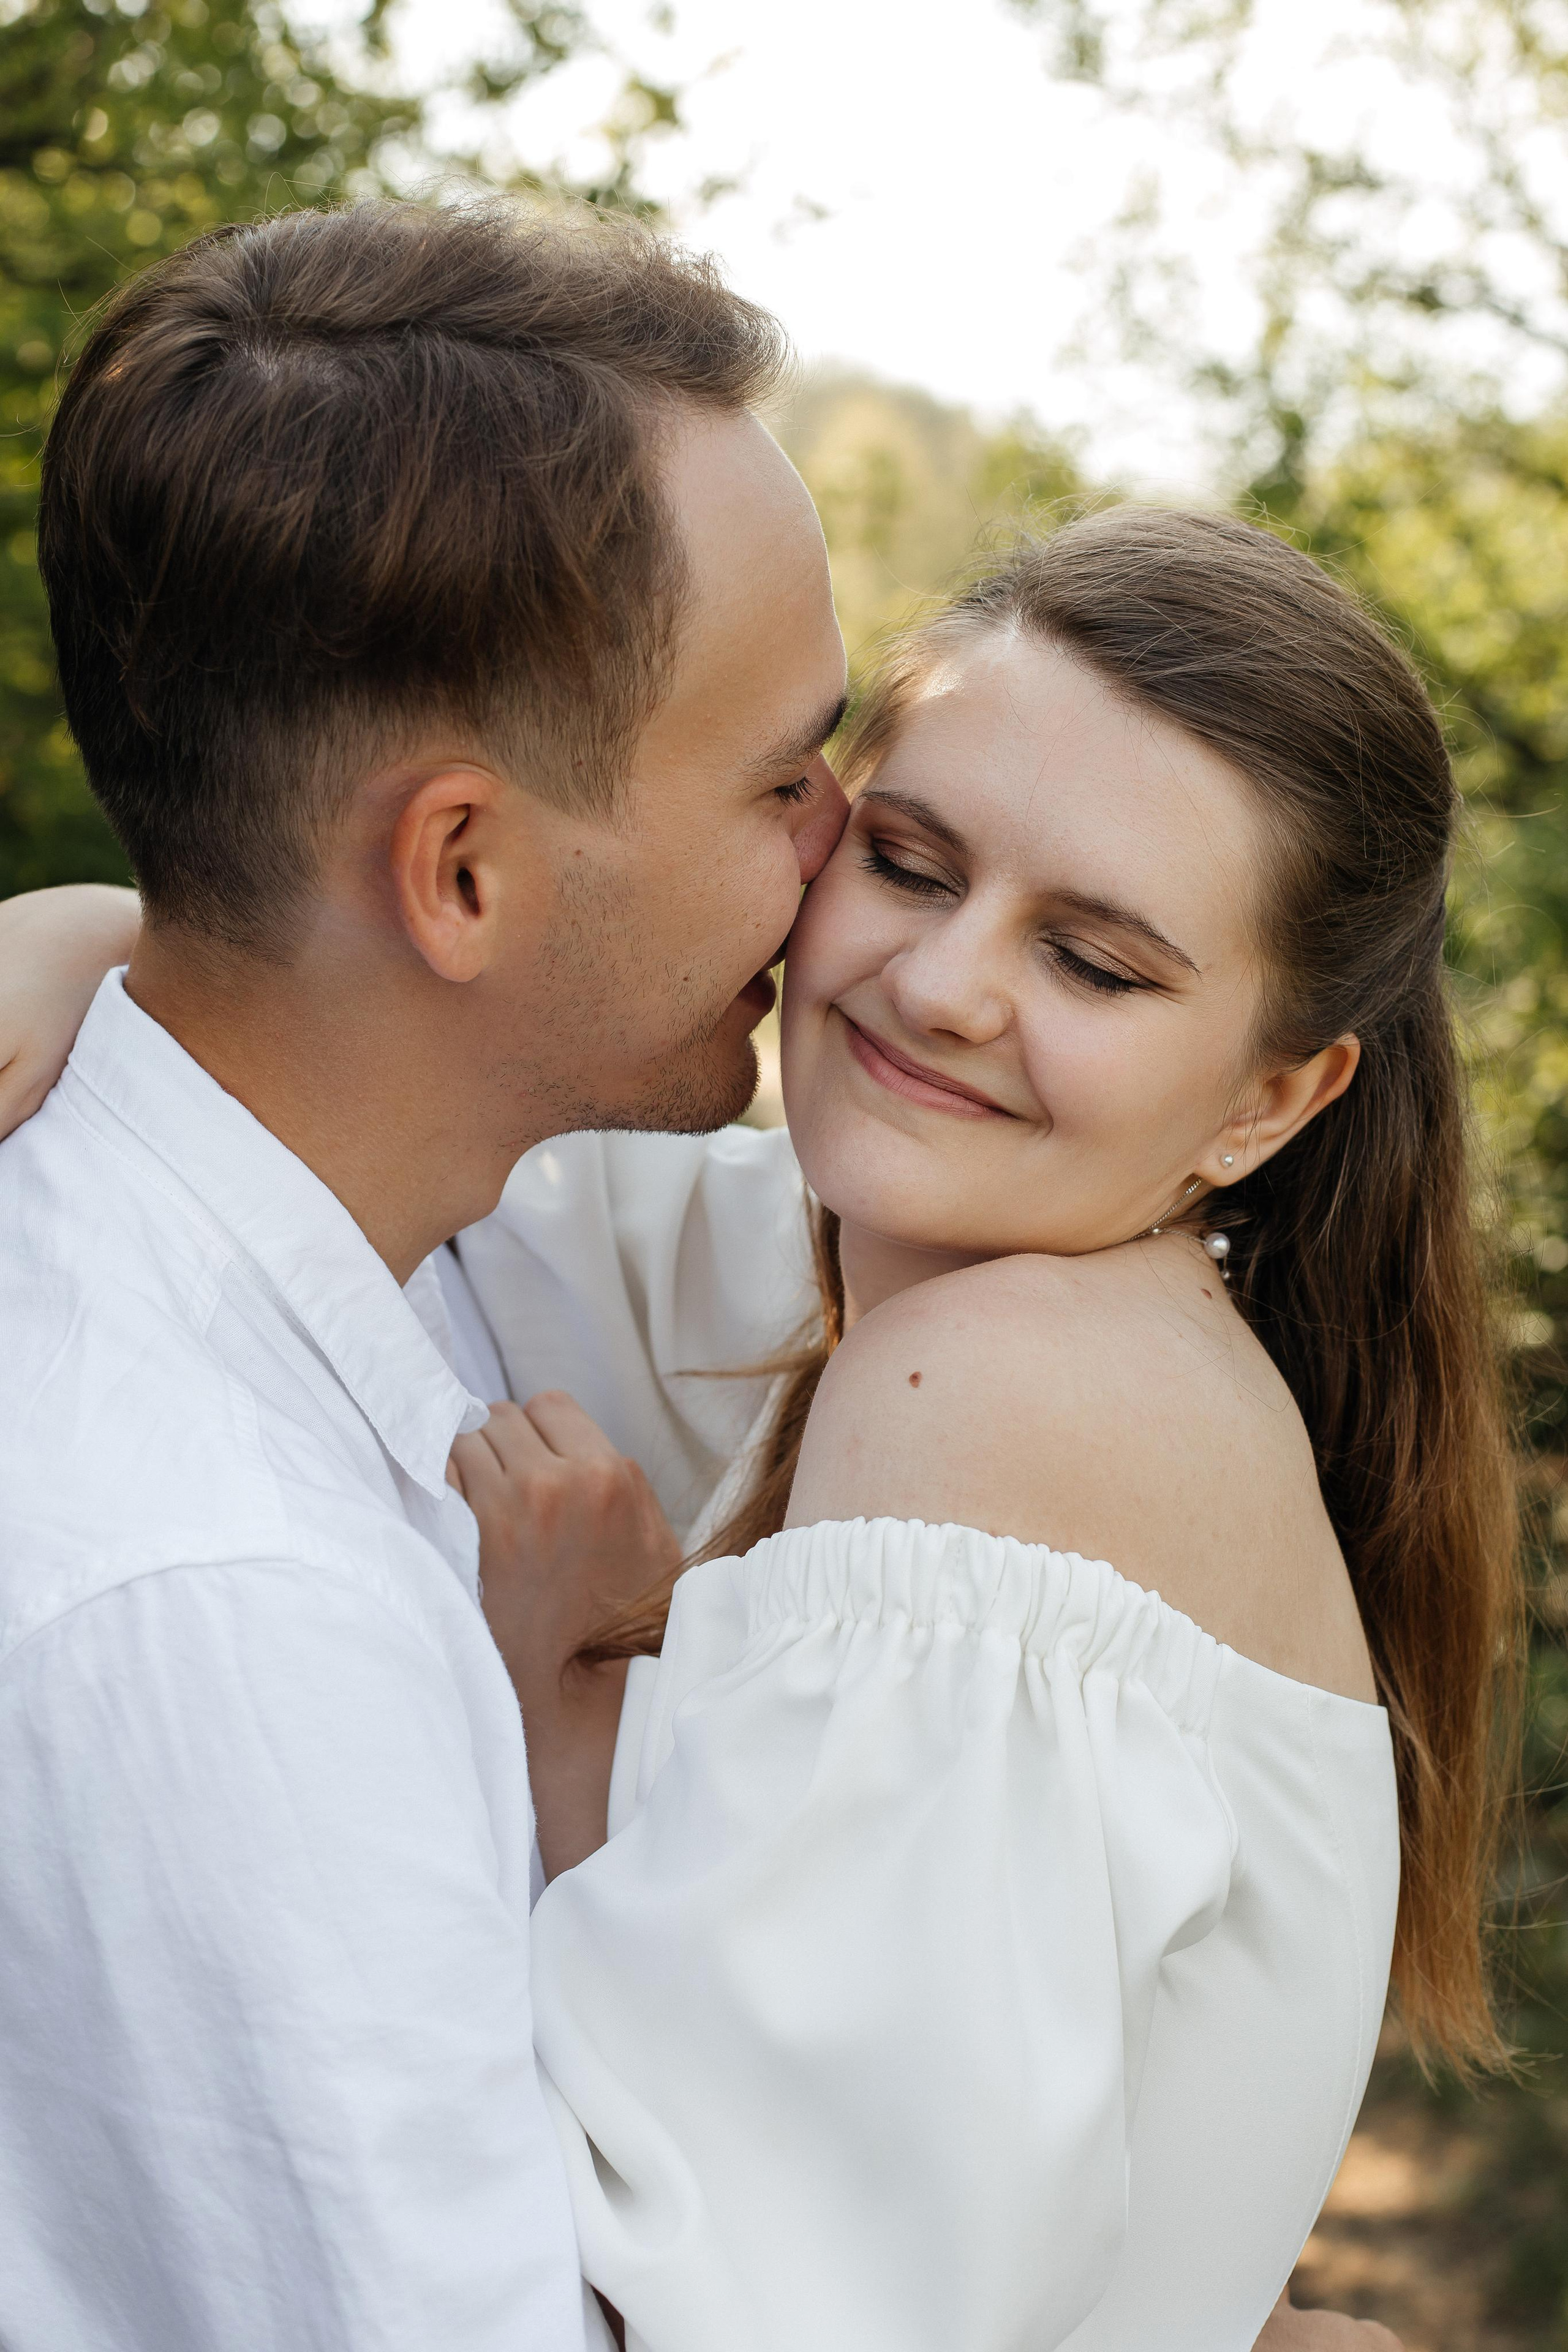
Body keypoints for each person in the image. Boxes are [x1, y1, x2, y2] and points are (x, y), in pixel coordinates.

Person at [0, 208, 1412, 2351]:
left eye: (1101, 958)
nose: (907, 957)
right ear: (461, 871)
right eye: (827, 807)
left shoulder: (988, 1372)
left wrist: (137, 935)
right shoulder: (261, 1543)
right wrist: (128, 929)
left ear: (1272, 1099)